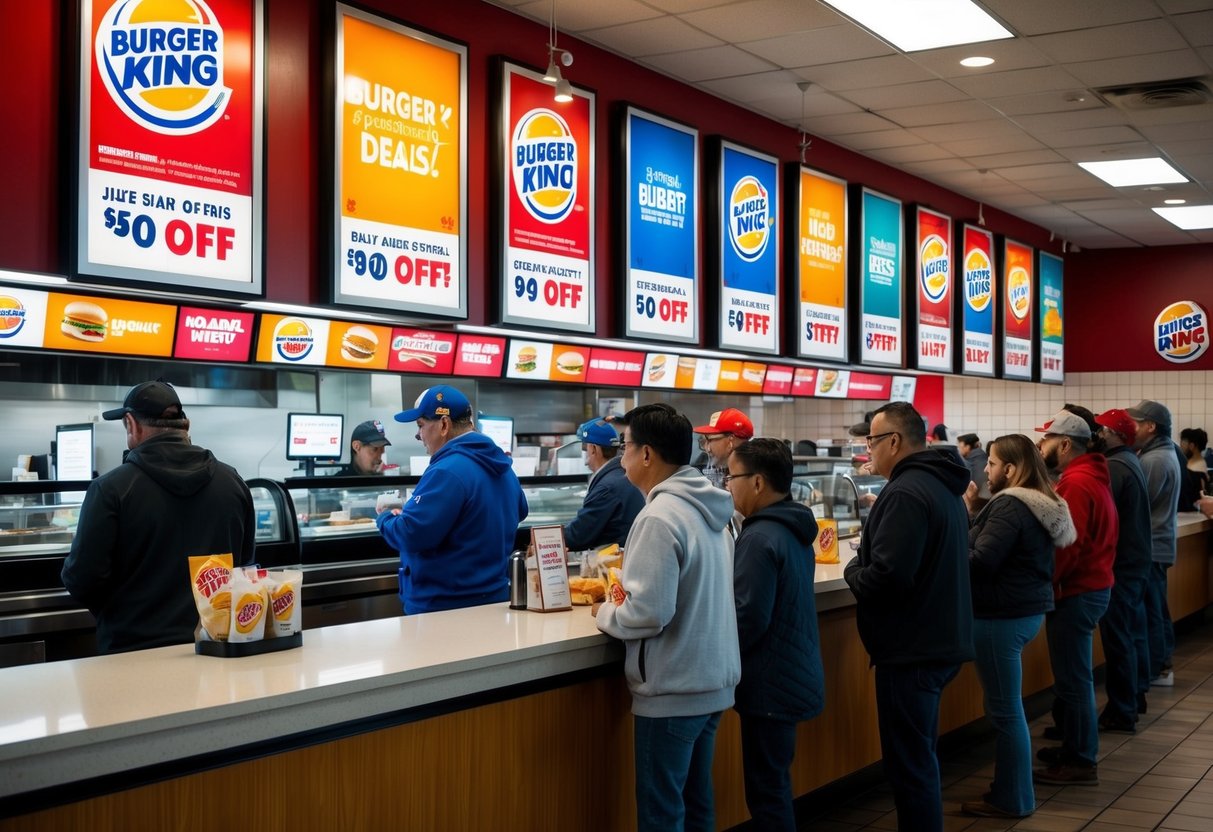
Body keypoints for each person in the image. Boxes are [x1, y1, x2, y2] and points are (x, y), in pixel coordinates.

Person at [594, 403, 739, 832]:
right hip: (712, 681)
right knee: (696, 808)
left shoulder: (658, 517)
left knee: (662, 816)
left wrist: (605, 612)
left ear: (646, 455)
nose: (621, 458)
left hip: (674, 688)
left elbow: (648, 613)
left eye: (625, 447)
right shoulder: (713, 508)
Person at [843, 402, 973, 832]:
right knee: (919, 759)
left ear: (894, 441)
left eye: (871, 441)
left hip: (911, 649)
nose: (868, 451)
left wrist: (853, 569)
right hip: (937, 639)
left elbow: (887, 576)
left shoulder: (905, 492)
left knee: (910, 767)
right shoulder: (943, 485)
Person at [61, 380, 255, 654]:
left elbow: (82, 580)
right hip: (214, 647)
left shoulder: (110, 489)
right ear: (185, 424)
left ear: (131, 424)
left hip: (131, 653)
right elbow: (244, 567)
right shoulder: (233, 481)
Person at [960, 434, 1074, 819]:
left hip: (1000, 616)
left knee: (1006, 712)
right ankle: (1012, 790)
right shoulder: (1037, 502)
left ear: (1010, 469)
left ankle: (1012, 798)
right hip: (1023, 610)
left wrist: (960, 515)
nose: (987, 470)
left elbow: (979, 561)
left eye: (991, 464)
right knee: (1007, 710)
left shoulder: (1011, 506)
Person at [726, 439, 825, 831]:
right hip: (792, 672)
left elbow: (748, 617)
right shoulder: (793, 528)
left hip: (768, 682)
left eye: (732, 476)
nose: (727, 485)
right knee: (775, 784)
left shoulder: (759, 537)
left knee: (767, 794)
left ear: (757, 482)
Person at [376, 385, 528, 614]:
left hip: (444, 609)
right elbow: (520, 510)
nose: (418, 435)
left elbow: (411, 534)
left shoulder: (447, 470)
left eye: (421, 426)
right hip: (494, 601)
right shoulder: (503, 467)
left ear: (444, 424)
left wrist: (385, 518)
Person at [1033, 410, 1116, 786]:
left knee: (1074, 681)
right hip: (1092, 587)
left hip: (1077, 592)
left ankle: (1081, 760)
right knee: (1075, 679)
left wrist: (1045, 582)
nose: (1041, 447)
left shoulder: (1077, 485)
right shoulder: (1091, 477)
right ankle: (1074, 747)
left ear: (1065, 445)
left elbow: (1067, 544)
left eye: (1046, 440)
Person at [1093, 409, 1153, 732]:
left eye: (1101, 429)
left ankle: (1122, 710)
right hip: (1137, 561)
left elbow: (1102, 514)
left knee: (1118, 640)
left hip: (1122, 566)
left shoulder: (1115, 467)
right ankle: (1135, 697)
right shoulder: (1131, 460)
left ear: (1113, 433)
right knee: (1131, 635)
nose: (1097, 434)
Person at [1128, 400, 1182, 688]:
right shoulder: (1165, 453)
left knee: (1152, 610)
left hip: (1151, 546)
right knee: (1156, 607)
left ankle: (1159, 668)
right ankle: (1161, 665)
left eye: (1135, 423)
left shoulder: (1154, 460)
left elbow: (1138, 504)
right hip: (1159, 544)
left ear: (1150, 427)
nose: (1130, 428)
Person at [561, 418, 644, 552]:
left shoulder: (607, 487)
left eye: (584, 447)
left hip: (610, 563)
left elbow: (578, 536)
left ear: (593, 449)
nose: (584, 452)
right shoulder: (620, 475)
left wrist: (546, 540)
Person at [692, 407, 753, 487]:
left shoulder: (747, 477)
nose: (707, 449)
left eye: (710, 440)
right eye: (704, 442)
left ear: (730, 441)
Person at [957, 433, 991, 509]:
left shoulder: (970, 462)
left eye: (960, 447)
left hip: (980, 504)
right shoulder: (982, 457)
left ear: (967, 447)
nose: (958, 449)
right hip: (988, 501)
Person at [1178, 427, 1209, 508]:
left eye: (1183, 442)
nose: (1181, 446)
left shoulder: (1195, 467)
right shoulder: (1197, 463)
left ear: (1191, 446)